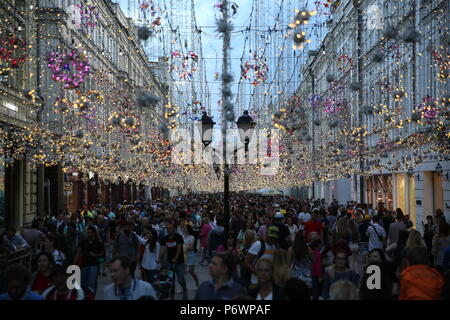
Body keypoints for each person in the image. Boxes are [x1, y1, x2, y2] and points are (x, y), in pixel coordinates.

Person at [159, 223, 188, 299]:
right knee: (171, 280)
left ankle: (185, 289)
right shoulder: (165, 238)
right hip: (169, 262)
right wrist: (159, 258)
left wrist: (175, 259)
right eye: (167, 228)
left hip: (179, 262)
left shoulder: (178, 237)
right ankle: (172, 296)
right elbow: (162, 249)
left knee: (181, 279)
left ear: (174, 229)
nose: (168, 230)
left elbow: (179, 249)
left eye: (170, 228)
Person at [74, 225, 105, 295]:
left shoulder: (99, 242)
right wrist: (74, 263)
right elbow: (78, 252)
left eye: (90, 233)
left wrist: (95, 255)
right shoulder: (83, 242)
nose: (88, 234)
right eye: (87, 233)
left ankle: (91, 296)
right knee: (83, 284)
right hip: (84, 265)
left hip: (94, 265)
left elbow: (103, 253)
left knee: (91, 283)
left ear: (94, 233)